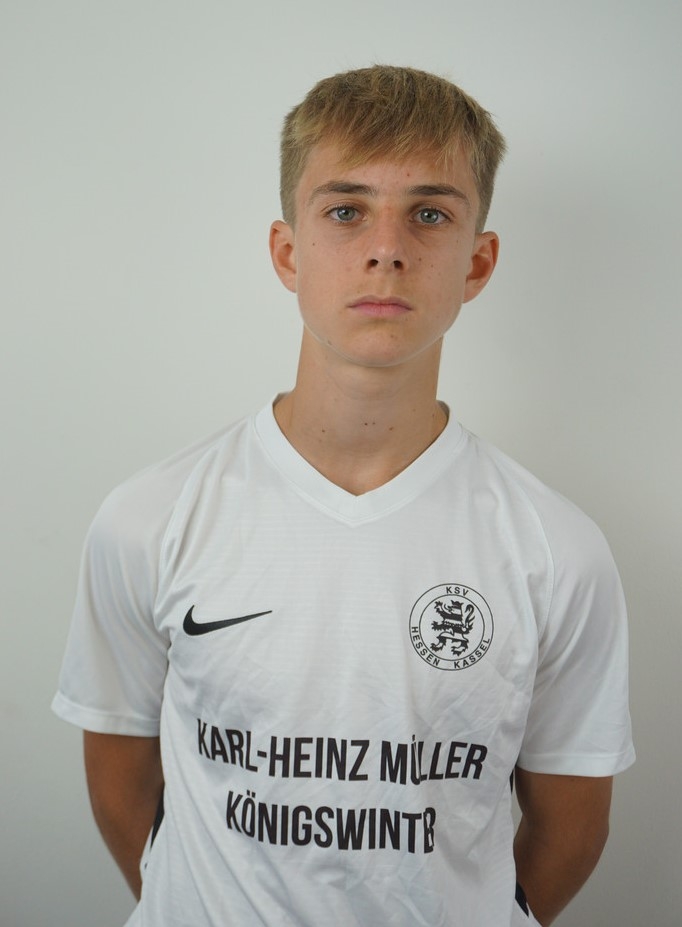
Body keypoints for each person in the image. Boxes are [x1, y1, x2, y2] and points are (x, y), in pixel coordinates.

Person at [52, 65, 634, 927]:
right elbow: (119, 773)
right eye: (346, 210)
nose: (386, 248)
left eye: (429, 214)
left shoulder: (558, 549)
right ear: (288, 252)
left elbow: (570, 828)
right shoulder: (150, 517)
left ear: (478, 262)